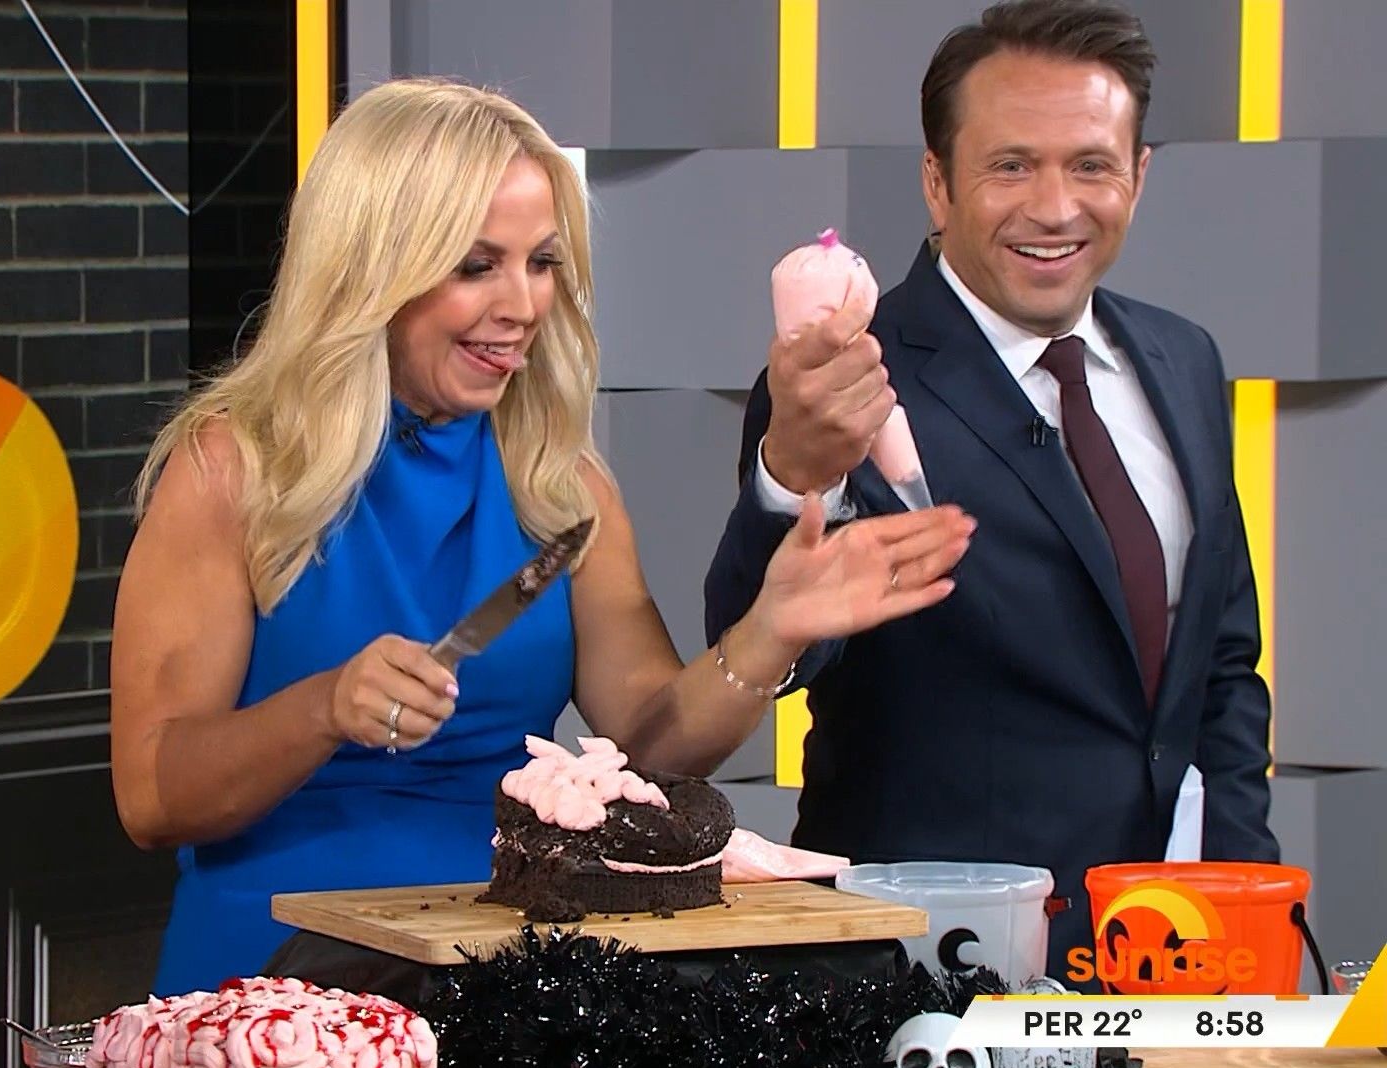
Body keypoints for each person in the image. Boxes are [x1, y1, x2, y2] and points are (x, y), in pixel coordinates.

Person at [112, 76, 977, 996]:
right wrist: (323, 708)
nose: (523, 305)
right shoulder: (230, 468)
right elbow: (153, 798)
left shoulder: (559, 481)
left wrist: (771, 631)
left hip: (498, 975)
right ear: (371, 268)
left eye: (542, 262)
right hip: (274, 979)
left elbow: (650, 748)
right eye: (476, 266)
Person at [704, 0, 1279, 986]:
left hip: (1169, 957)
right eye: (1011, 166)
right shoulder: (851, 378)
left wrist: (1244, 903)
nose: (1054, 208)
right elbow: (769, 647)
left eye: (1091, 165)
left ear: (1139, 175)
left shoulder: (1185, 360)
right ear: (937, 181)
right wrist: (791, 471)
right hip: (927, 969)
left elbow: (1221, 666)